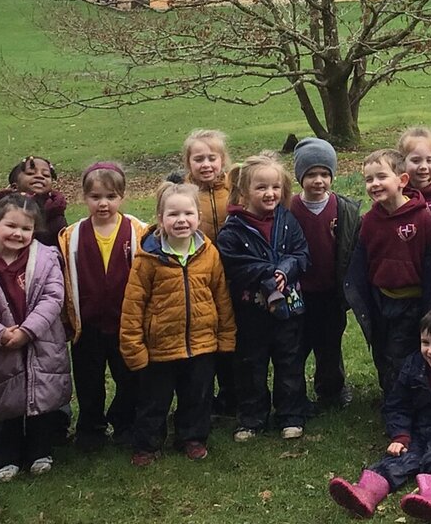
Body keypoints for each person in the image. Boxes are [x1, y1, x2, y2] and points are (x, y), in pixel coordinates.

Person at [328, 304, 431, 523]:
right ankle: (365, 492)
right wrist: (400, 434)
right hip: (416, 429)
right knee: (399, 458)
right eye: (425, 343)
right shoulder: (413, 367)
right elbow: (397, 404)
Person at [121, 182, 236, 463]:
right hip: (160, 345)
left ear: (198, 216)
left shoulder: (208, 253)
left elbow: (221, 296)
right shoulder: (148, 257)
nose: (181, 220)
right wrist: (133, 346)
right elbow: (133, 303)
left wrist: (226, 336)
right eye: (173, 215)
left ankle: (192, 437)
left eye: (187, 214)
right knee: (154, 400)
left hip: (201, 343)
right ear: (160, 219)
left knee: (197, 396)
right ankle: (147, 444)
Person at [0, 195, 71, 482]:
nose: (18, 234)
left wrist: (27, 331)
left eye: (26, 229)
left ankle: (40, 451)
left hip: (40, 340)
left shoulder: (47, 258)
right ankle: (5, 456)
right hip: (0, 344)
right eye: (11, 226)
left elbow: (53, 297)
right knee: (5, 398)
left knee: (41, 394)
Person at [215, 152, 311, 441]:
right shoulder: (232, 228)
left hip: (289, 310)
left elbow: (301, 254)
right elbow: (233, 263)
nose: (270, 194)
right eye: (261, 188)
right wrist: (268, 272)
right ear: (244, 192)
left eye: (275, 187)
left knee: (290, 363)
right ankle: (252, 418)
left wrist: (286, 269)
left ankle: (291, 414)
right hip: (251, 311)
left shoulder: (287, 220)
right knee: (250, 365)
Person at [58, 162, 148, 451]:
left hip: (125, 322)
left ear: (122, 196)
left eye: (110, 196)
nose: (103, 203)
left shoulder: (137, 231)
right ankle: (91, 427)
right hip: (88, 325)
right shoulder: (71, 236)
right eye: (95, 197)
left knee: (129, 377)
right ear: (84, 198)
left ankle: (125, 422)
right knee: (88, 380)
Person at [344, 149, 431, 393]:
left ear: (402, 180)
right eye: (369, 179)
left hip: (411, 301)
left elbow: (430, 264)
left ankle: (404, 404)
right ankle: (393, 400)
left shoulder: (421, 218)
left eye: (381, 177)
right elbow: (363, 261)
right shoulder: (369, 222)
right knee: (382, 352)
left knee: (402, 354)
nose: (375, 184)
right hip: (380, 299)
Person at [288, 137, 361, 410]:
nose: (318, 181)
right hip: (298, 292)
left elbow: (351, 247)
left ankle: (331, 389)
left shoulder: (343, 209)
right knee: (296, 346)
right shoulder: (289, 209)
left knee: (330, 344)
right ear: (299, 177)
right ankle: (293, 394)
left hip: (331, 291)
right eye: (311, 174)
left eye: (324, 174)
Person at [181, 129, 237, 414]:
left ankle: (231, 393)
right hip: (197, 277)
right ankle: (201, 398)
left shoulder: (234, 190)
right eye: (198, 159)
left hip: (233, 274)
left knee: (231, 334)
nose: (206, 165)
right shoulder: (184, 195)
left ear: (222, 159)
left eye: (211, 158)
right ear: (188, 162)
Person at [0, 156, 68, 250]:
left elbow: (64, 256)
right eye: (30, 173)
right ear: (14, 186)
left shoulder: (56, 217)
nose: (39, 176)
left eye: (46, 175)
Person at [398, 126, 431, 217]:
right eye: (416, 161)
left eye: (429, 160)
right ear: (402, 162)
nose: (423, 166)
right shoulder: (398, 196)